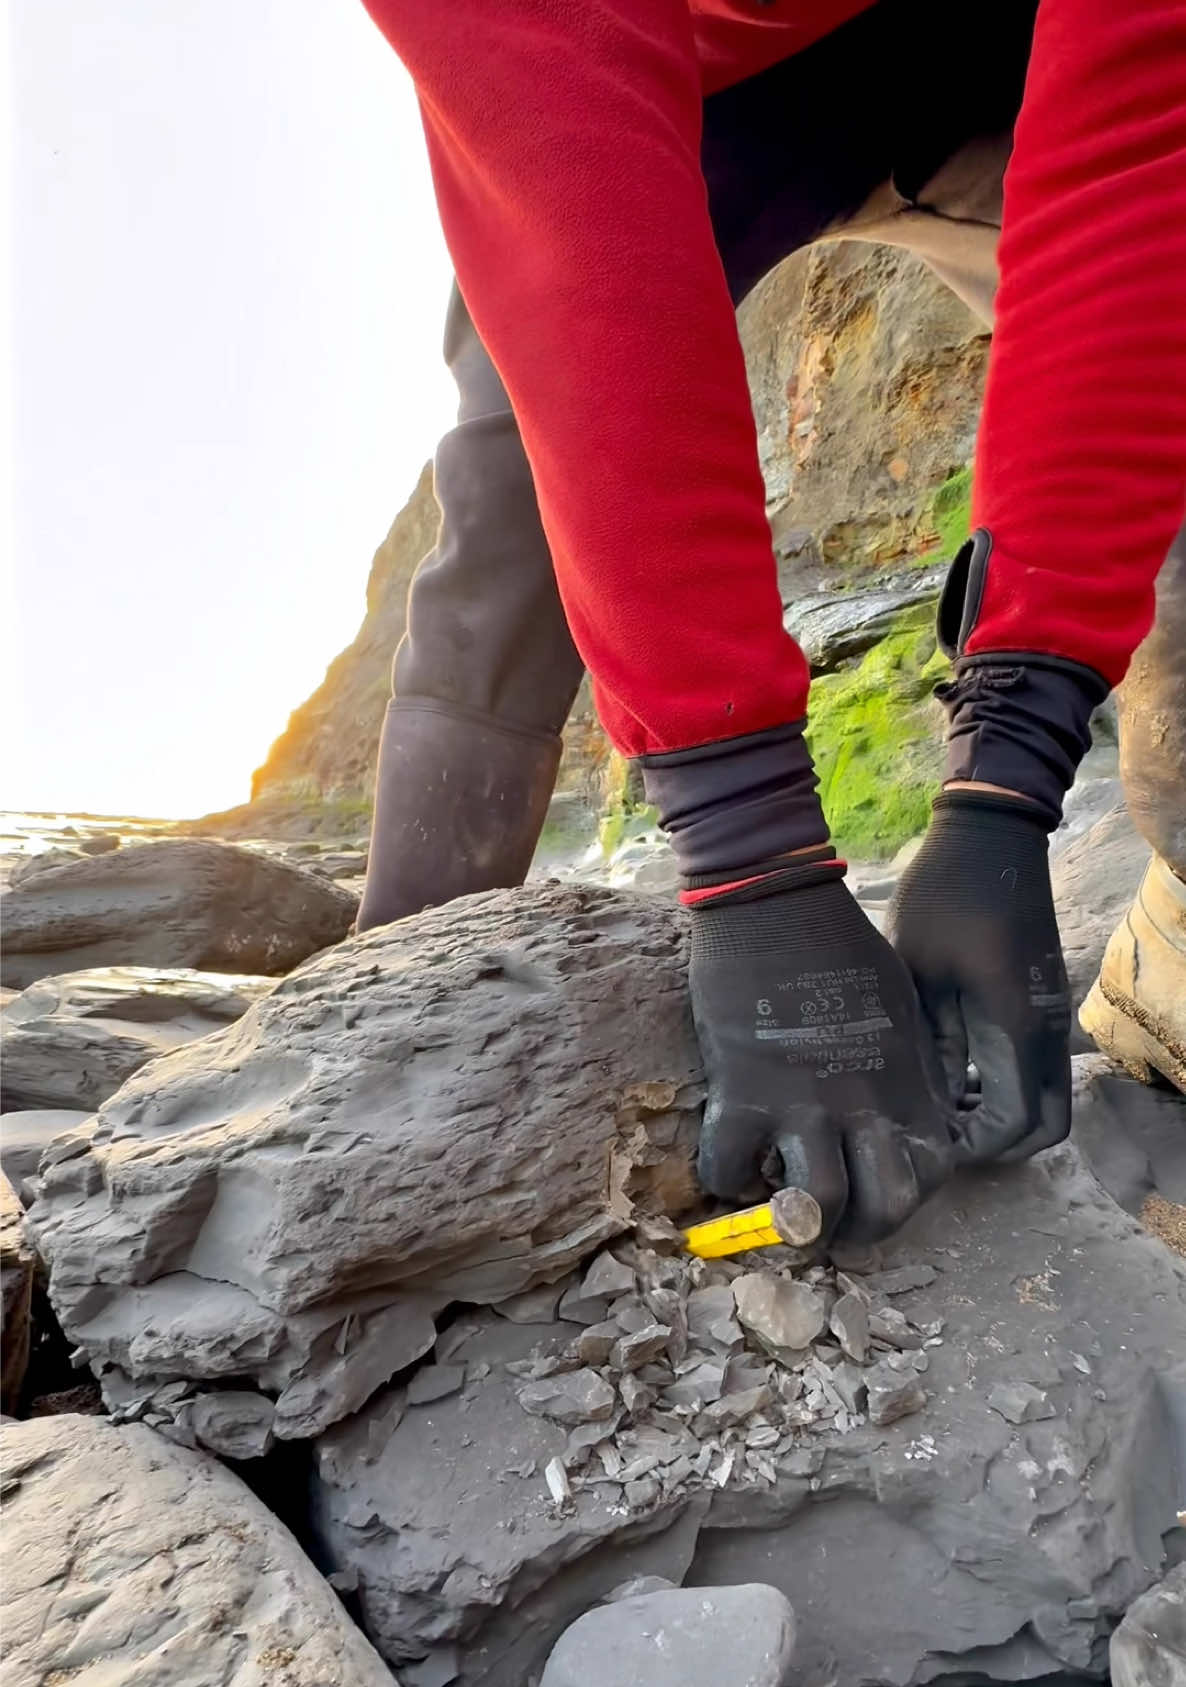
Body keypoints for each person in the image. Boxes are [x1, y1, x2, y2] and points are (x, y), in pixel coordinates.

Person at [353, 0, 1186, 1246]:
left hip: (1004, 42)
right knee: (512, 496)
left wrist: (1009, 779)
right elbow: (573, 238)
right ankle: (389, 1002)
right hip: (686, 67)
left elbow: (1141, 158)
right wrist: (752, 861)